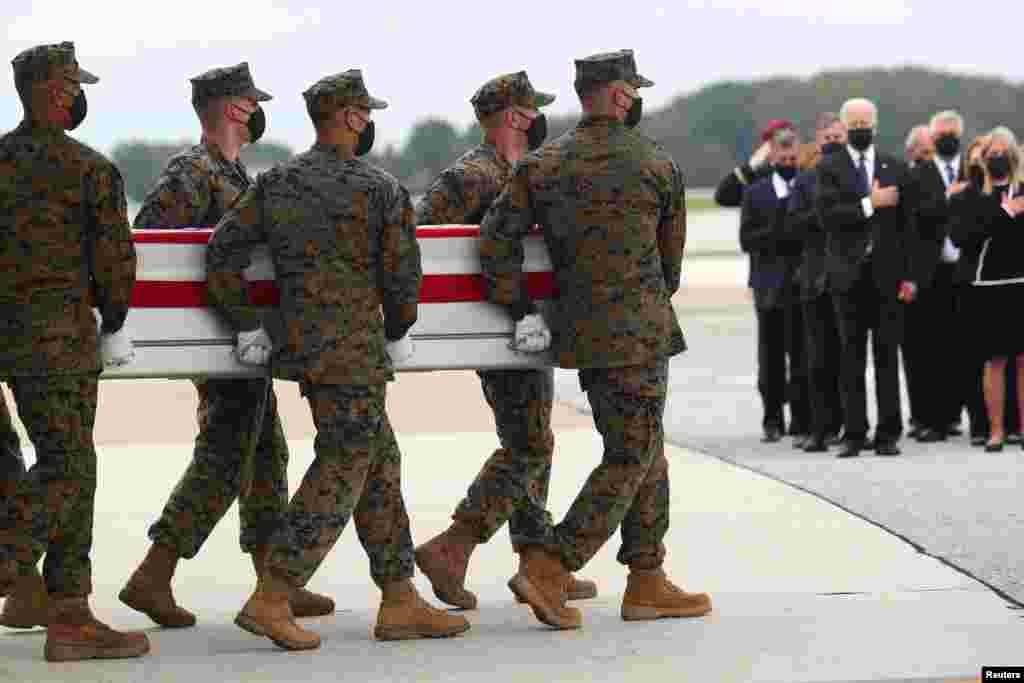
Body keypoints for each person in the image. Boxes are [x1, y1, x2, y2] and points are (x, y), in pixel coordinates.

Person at [206, 69, 470, 649]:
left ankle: (400, 596)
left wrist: (249, 323)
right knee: (345, 461)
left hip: (302, 347)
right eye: (366, 113)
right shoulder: (378, 188)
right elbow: (403, 279)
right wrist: (397, 329)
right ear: (352, 118)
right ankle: (273, 594)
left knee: (379, 459)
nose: (369, 122)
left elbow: (223, 252)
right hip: (354, 349)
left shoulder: (276, 181)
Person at [479, 49, 711, 630]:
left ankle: (647, 577)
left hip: (580, 333)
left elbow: (495, 240)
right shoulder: (655, 163)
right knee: (631, 452)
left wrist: (522, 307)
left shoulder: (545, 163)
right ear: (623, 95)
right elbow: (671, 266)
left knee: (644, 447)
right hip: (640, 330)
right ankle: (551, 565)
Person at [121, 62, 334, 629]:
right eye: (252, 102)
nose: (259, 111)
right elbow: (151, 247)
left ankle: (272, 579)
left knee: (266, 456)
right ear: (237, 109)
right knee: (224, 457)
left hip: (240, 342)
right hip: (216, 340)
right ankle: (154, 573)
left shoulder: (232, 172)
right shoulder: (192, 171)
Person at [413, 72, 597, 609]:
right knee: (529, 444)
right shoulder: (471, 176)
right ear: (517, 117)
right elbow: (426, 247)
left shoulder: (517, 170)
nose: (540, 119)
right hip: (498, 330)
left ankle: (537, 560)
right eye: (533, 111)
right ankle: (455, 544)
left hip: (522, 328)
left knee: (535, 439)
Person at [0, 41, 148, 661]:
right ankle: (21, 566)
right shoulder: (88, 169)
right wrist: (114, 321)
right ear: (59, 93)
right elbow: (115, 265)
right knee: (70, 466)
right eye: (75, 85)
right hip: (58, 343)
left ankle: (62, 610)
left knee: (56, 464)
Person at [816, 98, 922, 459]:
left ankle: (888, 432)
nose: (861, 127)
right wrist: (869, 203)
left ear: (876, 126)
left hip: (887, 278)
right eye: (854, 122)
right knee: (851, 358)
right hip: (847, 278)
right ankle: (854, 432)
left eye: (866, 122)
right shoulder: (829, 167)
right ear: (845, 128)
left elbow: (910, 227)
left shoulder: (895, 167)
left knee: (886, 356)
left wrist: (910, 275)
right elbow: (828, 216)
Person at [948, 127, 1024, 452]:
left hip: (1021, 282)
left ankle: (1019, 428)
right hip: (987, 284)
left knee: (1022, 361)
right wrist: (1006, 211)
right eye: (992, 151)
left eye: (1004, 151)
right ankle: (995, 431)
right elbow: (966, 236)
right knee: (994, 361)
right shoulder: (973, 194)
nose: (998, 156)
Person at [739, 128, 808, 444]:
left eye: (793, 158)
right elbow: (747, 239)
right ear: (773, 158)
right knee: (770, 358)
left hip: (802, 285)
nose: (789, 163)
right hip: (769, 287)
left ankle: (801, 417)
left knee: (802, 356)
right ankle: (772, 417)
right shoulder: (757, 191)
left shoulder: (807, 186)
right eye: (783, 159)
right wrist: (781, 230)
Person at [909, 111, 971, 443]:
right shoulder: (919, 174)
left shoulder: (973, 170)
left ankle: (952, 415)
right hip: (931, 272)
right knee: (928, 348)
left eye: (952, 132)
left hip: (965, 271)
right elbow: (915, 219)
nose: (947, 137)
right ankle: (927, 418)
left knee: (960, 347)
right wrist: (947, 199)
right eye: (941, 133)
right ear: (931, 138)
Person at [786, 112, 847, 451]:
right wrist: (827, 214)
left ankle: (849, 425)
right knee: (818, 358)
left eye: (838, 136)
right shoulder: (806, 181)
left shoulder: (857, 176)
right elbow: (794, 224)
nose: (833, 142)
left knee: (848, 358)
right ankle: (820, 427)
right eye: (827, 137)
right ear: (818, 141)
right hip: (813, 278)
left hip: (848, 275)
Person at [714, 119, 795, 208]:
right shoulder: (760, 176)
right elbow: (722, 197)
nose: (783, 147)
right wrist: (750, 167)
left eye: (787, 141)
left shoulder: (804, 171)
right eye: (773, 142)